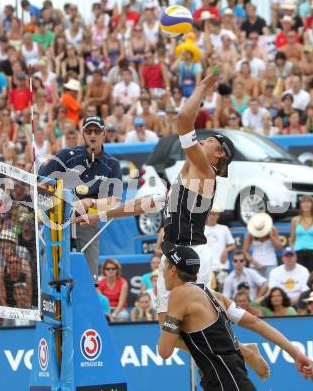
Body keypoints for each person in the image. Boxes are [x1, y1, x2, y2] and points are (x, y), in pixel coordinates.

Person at [73, 72, 270, 379]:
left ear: (218, 155)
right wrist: (97, 216)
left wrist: (203, 87)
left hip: (191, 255)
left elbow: (183, 119)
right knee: (170, 336)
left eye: (212, 141)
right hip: (175, 255)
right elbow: (143, 205)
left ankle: (239, 351)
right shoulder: (184, 177)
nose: (205, 139)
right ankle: (239, 350)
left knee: (187, 330)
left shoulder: (205, 171)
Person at [157, 242, 313, 390]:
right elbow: (255, 322)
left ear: (173, 270)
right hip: (233, 378)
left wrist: (166, 318)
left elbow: (165, 351)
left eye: (164, 266)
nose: (162, 273)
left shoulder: (179, 295)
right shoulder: (214, 295)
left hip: (224, 382)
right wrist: (296, 353)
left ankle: (246, 350)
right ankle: (246, 350)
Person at [39, 116, 122, 282]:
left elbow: (114, 202)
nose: (93, 135)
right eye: (88, 131)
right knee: (51, 274)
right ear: (83, 134)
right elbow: (41, 183)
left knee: (89, 278)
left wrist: (91, 202)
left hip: (88, 222)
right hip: (59, 220)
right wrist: (49, 206)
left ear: (104, 133)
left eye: (97, 131)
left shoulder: (112, 164)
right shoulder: (66, 155)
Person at [289, 195, 313, 272]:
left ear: (312, 204)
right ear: (300, 205)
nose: (305, 204)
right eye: (303, 202)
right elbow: (291, 240)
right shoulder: (295, 220)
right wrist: (293, 252)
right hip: (298, 253)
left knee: (312, 279)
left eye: (308, 202)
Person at [204, 205, 236, 291]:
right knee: (208, 296)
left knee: (222, 295)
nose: (213, 216)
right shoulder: (201, 229)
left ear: (218, 215)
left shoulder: (224, 229)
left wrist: (226, 250)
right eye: (210, 214)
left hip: (222, 267)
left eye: (215, 214)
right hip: (206, 268)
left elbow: (233, 245)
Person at [243, 213, 282, 279]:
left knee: (270, 287)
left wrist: (271, 236)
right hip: (255, 265)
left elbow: (279, 247)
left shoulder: (273, 230)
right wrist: (255, 263)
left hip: (271, 263)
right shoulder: (251, 233)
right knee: (255, 288)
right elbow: (244, 251)